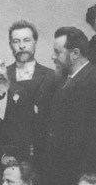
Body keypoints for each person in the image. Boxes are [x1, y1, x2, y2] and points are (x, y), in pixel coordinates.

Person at [42, 26, 96, 185]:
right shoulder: (62, 81)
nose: (53, 57)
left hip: (80, 177)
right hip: (58, 176)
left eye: (57, 52)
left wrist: (84, 180)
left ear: (75, 53)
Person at [5, 20, 58, 151]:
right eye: (16, 41)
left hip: (44, 149)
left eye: (27, 40)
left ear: (35, 42)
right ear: (10, 45)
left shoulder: (52, 77)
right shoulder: (1, 76)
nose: (22, 46)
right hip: (11, 148)